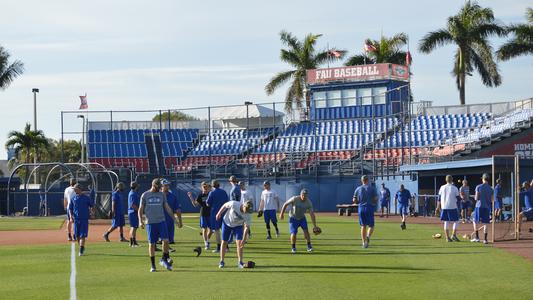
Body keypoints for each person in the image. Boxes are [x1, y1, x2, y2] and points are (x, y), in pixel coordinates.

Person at [138, 179, 180, 272]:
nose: (161, 188)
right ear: (154, 185)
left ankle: (163, 259)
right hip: (150, 222)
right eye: (159, 186)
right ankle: (153, 265)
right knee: (152, 244)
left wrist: (175, 219)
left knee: (166, 241)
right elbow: (140, 209)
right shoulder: (145, 195)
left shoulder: (162, 195)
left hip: (161, 221)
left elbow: (167, 208)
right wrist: (140, 221)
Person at [215, 200, 253, 268]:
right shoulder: (234, 204)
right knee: (224, 242)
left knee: (239, 243)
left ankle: (240, 262)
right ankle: (221, 261)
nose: (246, 212)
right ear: (243, 205)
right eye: (246, 209)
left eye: (248, 211)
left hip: (238, 226)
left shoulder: (248, 215)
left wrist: (244, 239)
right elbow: (224, 206)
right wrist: (219, 213)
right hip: (227, 223)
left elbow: (246, 227)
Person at [279, 189, 318, 253]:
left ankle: (309, 246)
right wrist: (281, 213)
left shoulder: (308, 202)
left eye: (305, 195)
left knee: (306, 231)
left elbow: (312, 214)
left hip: (302, 218)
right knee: (293, 233)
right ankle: (293, 248)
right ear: (300, 195)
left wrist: (315, 226)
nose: (304, 196)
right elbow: (285, 204)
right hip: (293, 218)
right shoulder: (295, 198)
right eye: (303, 195)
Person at [68, 184, 94, 256]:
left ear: (79, 189)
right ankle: (81, 247)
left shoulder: (86, 198)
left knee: (82, 235)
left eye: (75, 189)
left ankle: (81, 250)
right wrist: (70, 217)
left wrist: (92, 212)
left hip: (84, 219)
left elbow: (91, 206)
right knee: (77, 236)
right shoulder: (73, 198)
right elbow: (70, 208)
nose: (74, 190)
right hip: (76, 220)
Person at [353, 175, 378, 248]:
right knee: (371, 225)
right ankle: (368, 236)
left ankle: (364, 243)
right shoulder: (372, 188)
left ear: (362, 181)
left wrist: (358, 201)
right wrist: (373, 202)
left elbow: (354, 200)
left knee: (363, 226)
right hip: (369, 207)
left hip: (361, 208)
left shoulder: (358, 189)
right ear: (367, 180)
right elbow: (376, 198)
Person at [206, 180, 229, 253]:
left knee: (216, 230)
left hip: (215, 213)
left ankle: (219, 247)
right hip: (224, 212)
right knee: (224, 229)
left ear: (212, 186)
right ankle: (226, 247)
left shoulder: (211, 193)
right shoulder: (224, 192)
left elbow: (208, 203)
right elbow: (227, 201)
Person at [188, 181, 212, 250]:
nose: (205, 188)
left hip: (210, 214)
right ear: (201, 188)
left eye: (206, 187)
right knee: (204, 229)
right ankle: (206, 243)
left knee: (211, 230)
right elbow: (195, 205)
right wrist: (191, 197)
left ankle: (207, 240)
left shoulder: (211, 194)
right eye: (203, 187)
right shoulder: (200, 195)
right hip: (203, 214)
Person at [471, 173, 493, 244]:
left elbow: (476, 198)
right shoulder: (491, 188)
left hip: (479, 206)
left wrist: (474, 197)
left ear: (483, 179)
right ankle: (485, 239)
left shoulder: (479, 187)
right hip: (487, 207)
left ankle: (477, 238)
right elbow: (492, 200)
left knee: (475, 221)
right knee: (485, 223)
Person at [437, 175, 461, 242]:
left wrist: (437, 207)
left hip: (444, 207)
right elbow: (458, 198)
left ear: (446, 180)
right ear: (452, 180)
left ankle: (447, 238)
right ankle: (453, 235)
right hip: (452, 206)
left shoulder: (442, 187)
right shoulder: (454, 188)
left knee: (446, 221)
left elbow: (439, 198)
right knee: (456, 221)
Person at [161, 179, 182, 250]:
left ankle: (166, 250)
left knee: (169, 239)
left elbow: (178, 209)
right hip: (160, 219)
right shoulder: (158, 196)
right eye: (165, 185)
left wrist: (179, 221)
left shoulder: (173, 196)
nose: (167, 187)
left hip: (170, 219)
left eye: (168, 185)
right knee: (162, 238)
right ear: (161, 186)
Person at [128, 181, 141, 247]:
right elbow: (132, 205)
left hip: (132, 212)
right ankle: (133, 242)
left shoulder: (133, 193)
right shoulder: (133, 194)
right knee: (134, 227)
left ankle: (132, 242)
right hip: (133, 212)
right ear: (136, 186)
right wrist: (139, 210)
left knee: (133, 227)